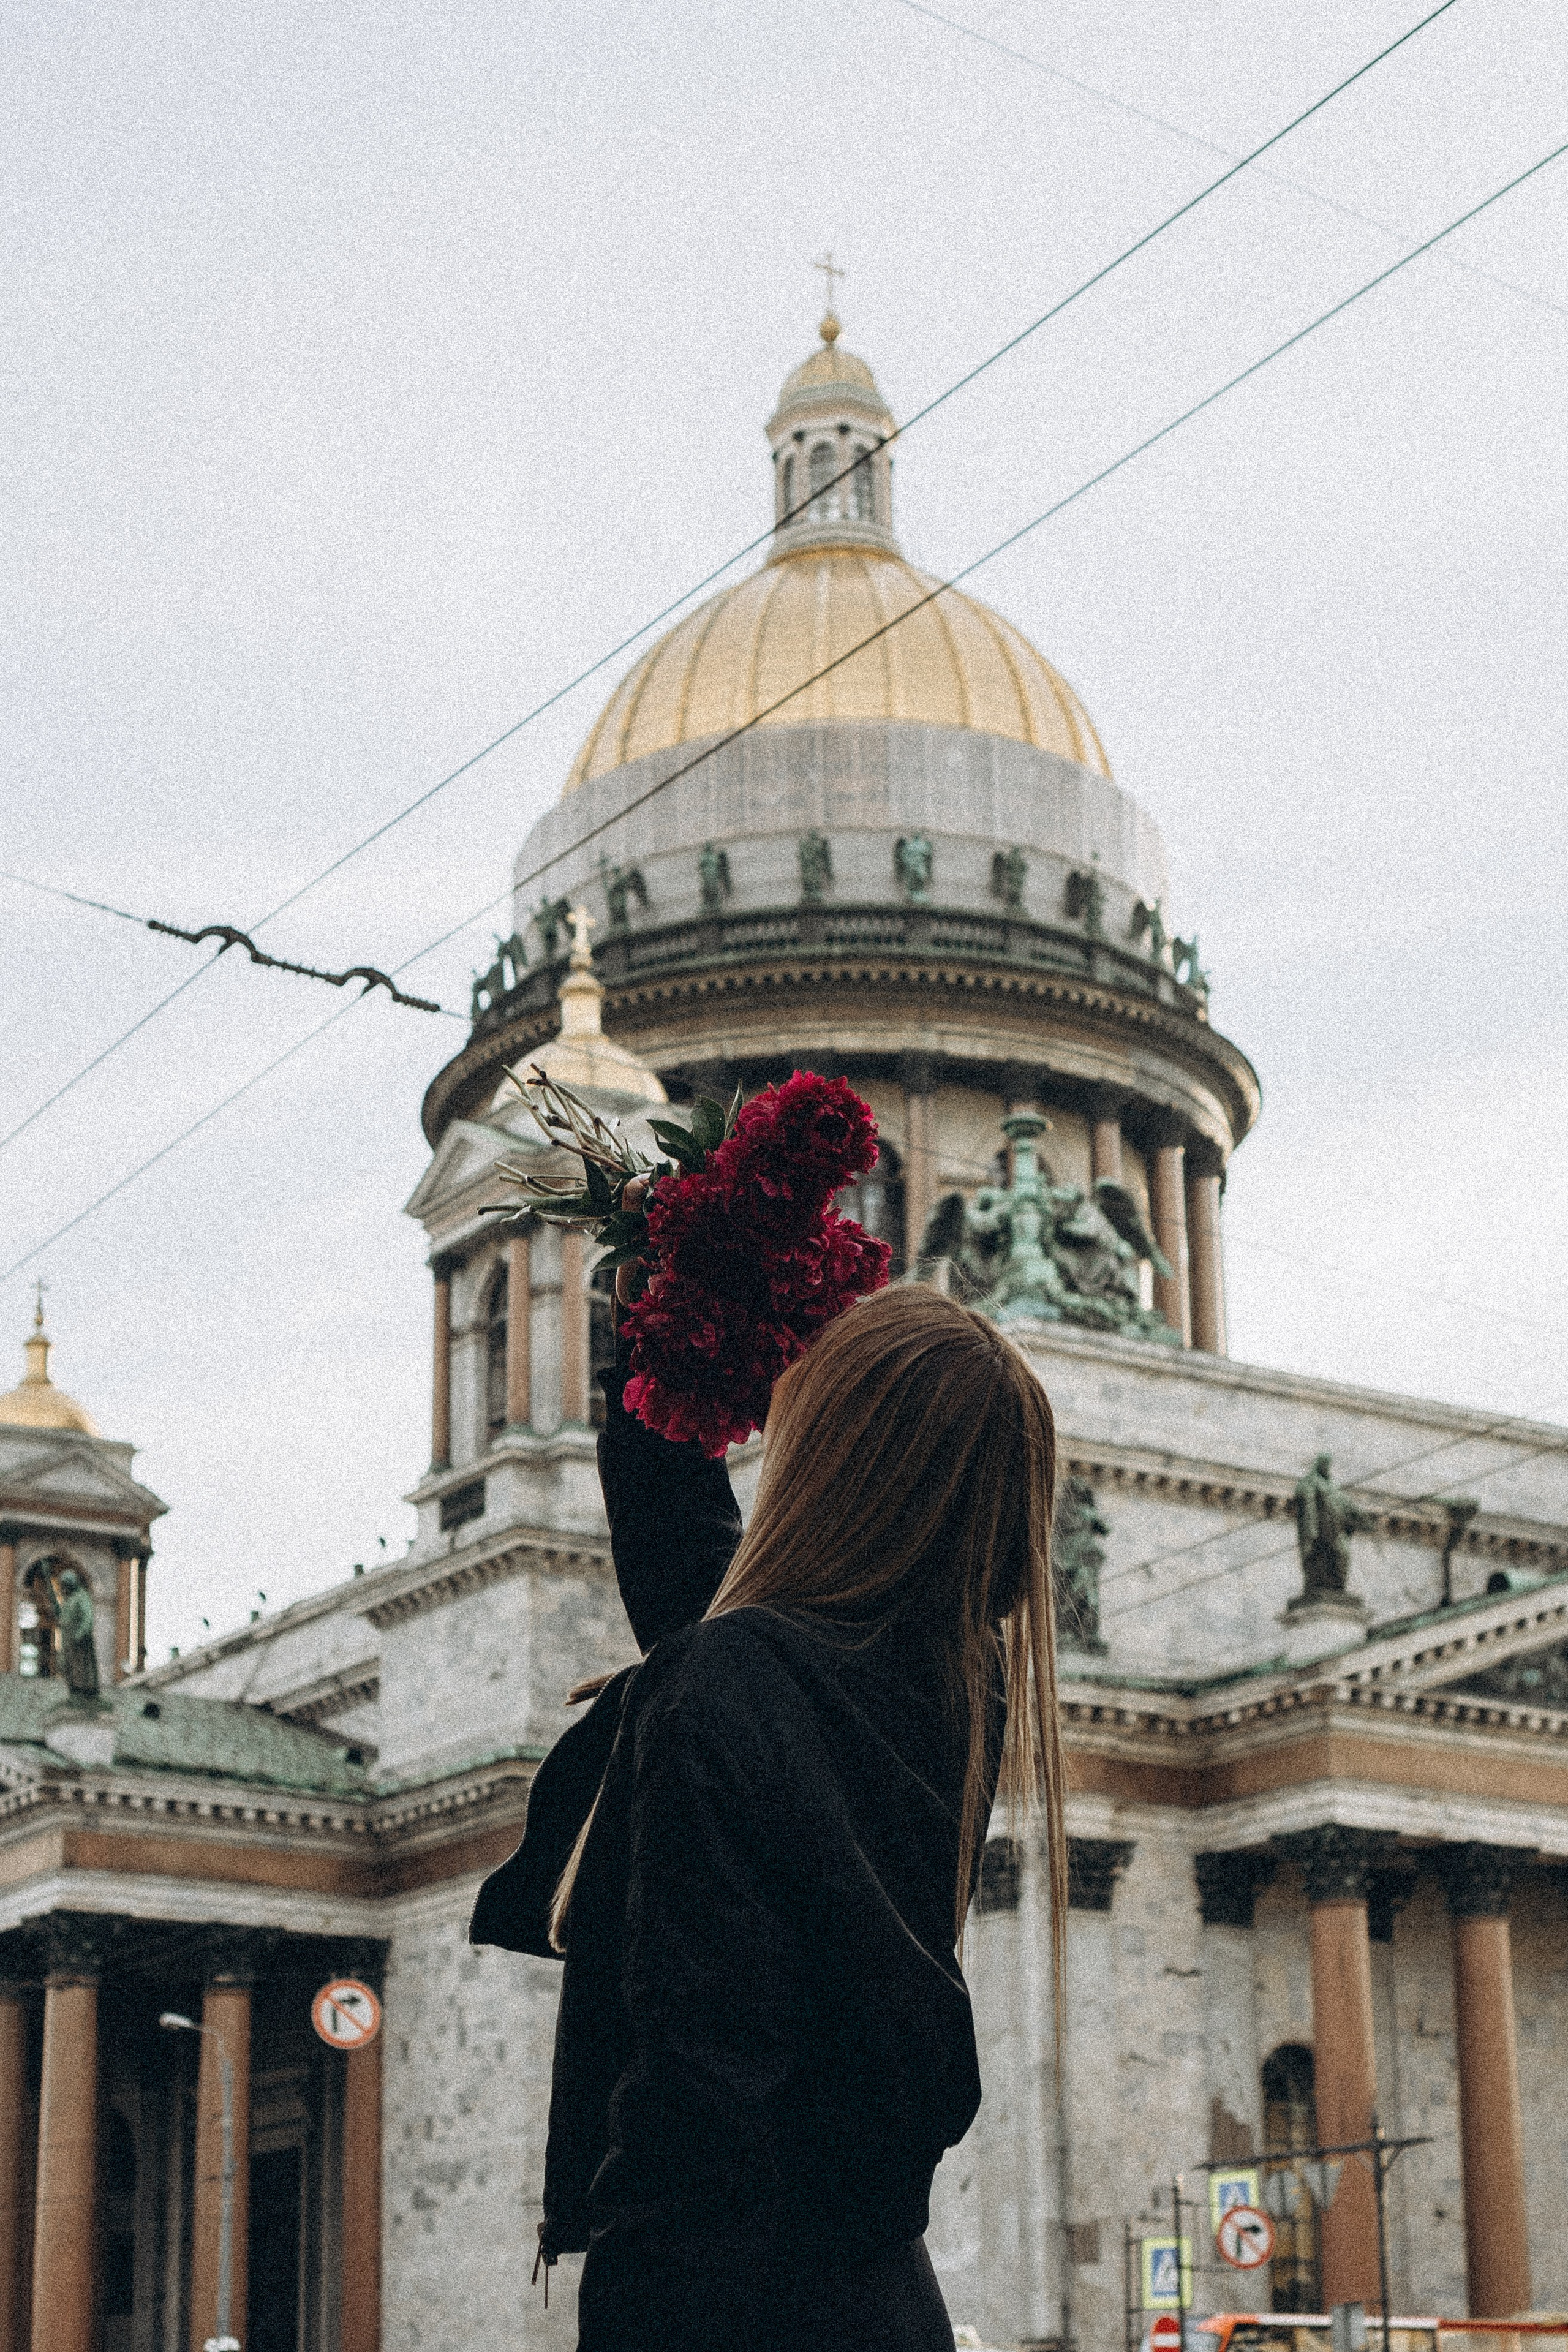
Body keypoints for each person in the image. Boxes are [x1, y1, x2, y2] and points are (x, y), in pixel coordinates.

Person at [471, 1226, 1067, 2350]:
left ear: (832, 1455)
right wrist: (654, 1371)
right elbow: (716, 1593)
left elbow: (697, 2108)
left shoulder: (740, 1681)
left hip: (731, 2298)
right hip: (878, 2296)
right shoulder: (957, 1681)